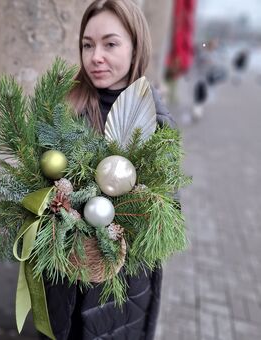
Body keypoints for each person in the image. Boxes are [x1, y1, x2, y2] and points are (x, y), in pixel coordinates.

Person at [40, 1, 176, 339]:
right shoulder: (67, 108)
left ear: (135, 46)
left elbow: (166, 215)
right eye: (87, 44)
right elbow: (40, 184)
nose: (95, 56)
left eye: (110, 43)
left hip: (122, 294)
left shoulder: (153, 119)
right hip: (64, 283)